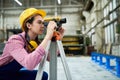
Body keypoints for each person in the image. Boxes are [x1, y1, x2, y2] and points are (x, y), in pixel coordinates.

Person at [0, 8, 64, 80]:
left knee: (43, 76)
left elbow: (50, 58)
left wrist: (58, 38)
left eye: (43, 23)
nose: (43, 26)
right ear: (29, 25)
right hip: (2, 74)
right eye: (39, 22)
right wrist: (48, 36)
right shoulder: (15, 40)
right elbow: (29, 64)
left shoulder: (33, 43)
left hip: (13, 74)